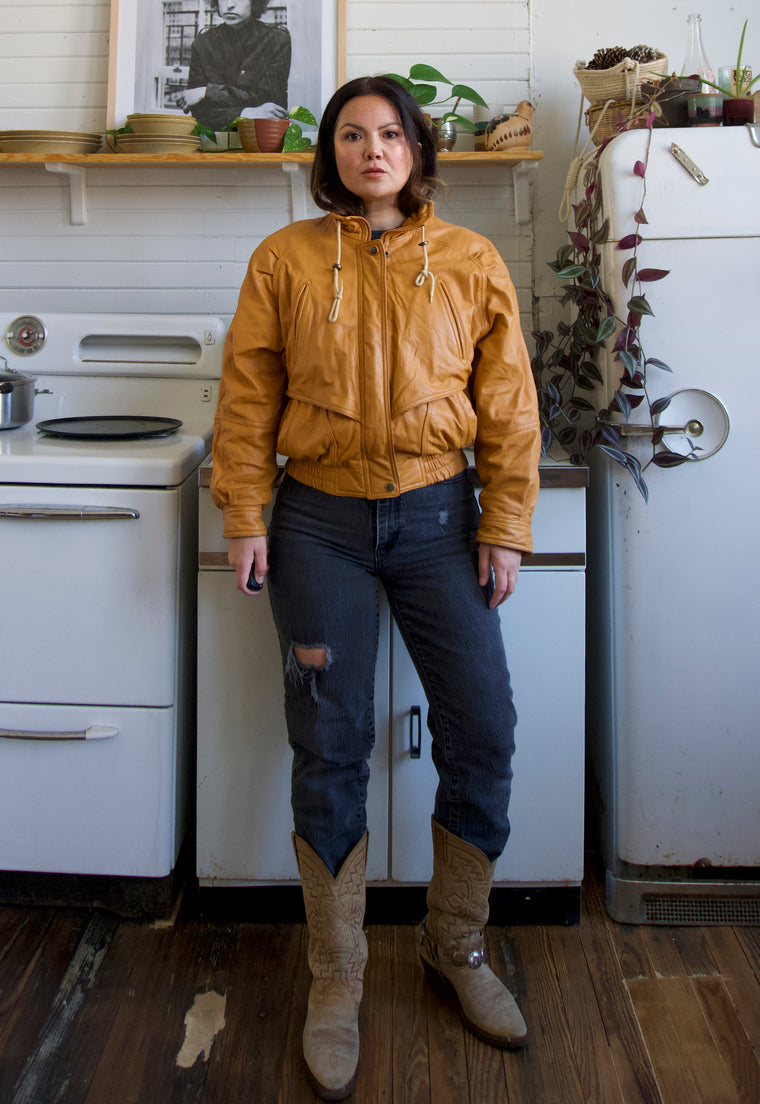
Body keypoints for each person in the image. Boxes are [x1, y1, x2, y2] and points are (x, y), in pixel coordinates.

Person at [211, 75, 541, 1099]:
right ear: (331, 155)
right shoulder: (286, 259)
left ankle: (457, 944)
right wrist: (243, 514)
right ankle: (335, 976)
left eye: (388, 132)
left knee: (481, 727)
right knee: (330, 743)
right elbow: (248, 390)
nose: (371, 149)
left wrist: (507, 526)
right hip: (316, 525)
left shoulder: (473, 261)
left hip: (442, 520)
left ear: (416, 147)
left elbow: (507, 403)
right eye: (351, 135)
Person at [174, 0, 290, 131]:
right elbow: (198, 111)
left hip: (262, 139)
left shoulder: (276, 40)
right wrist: (246, 113)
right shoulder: (203, 43)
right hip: (215, 142)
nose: (229, 5)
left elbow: (271, 105)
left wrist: (206, 92)